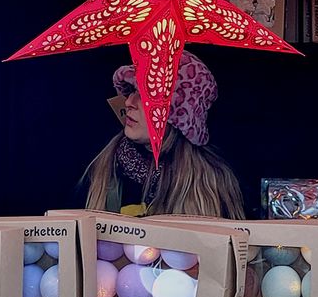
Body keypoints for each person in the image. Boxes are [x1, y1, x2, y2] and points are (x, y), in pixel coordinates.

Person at [82, 51, 246, 219]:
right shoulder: (104, 167)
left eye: (145, 95)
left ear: (178, 117)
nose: (129, 102)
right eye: (132, 91)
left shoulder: (210, 185)